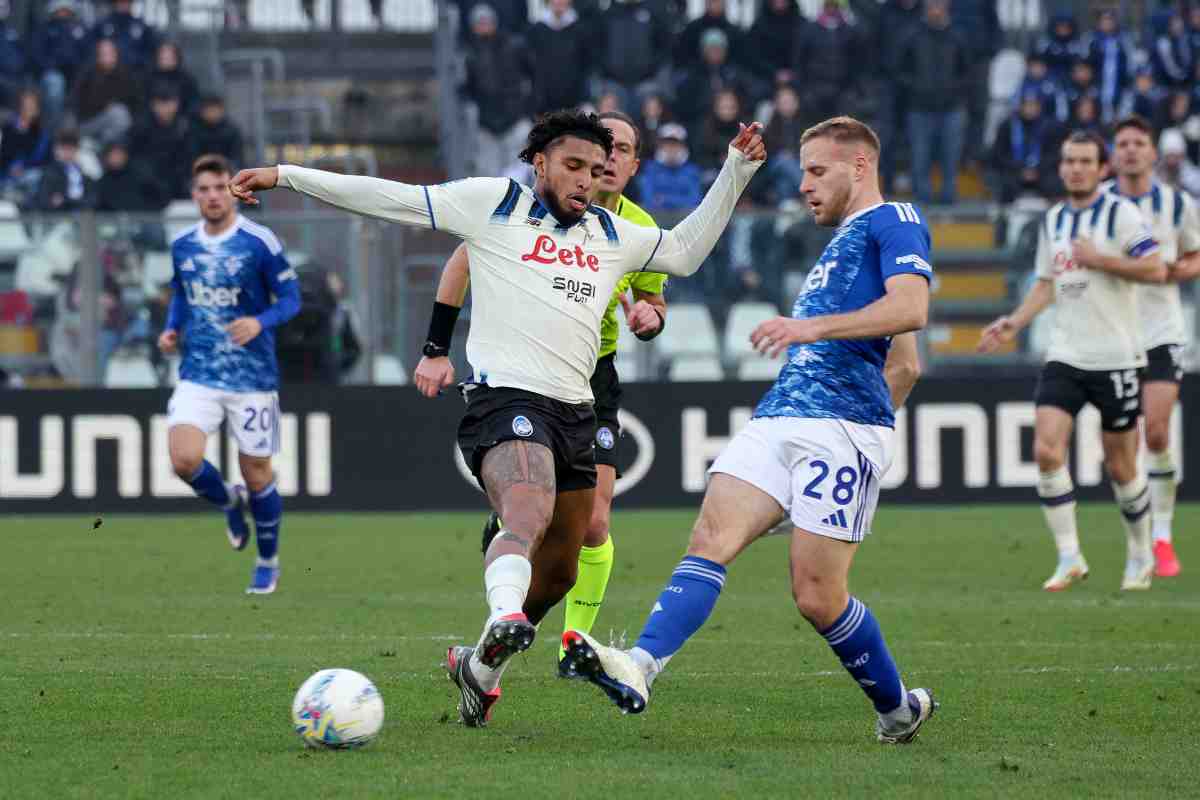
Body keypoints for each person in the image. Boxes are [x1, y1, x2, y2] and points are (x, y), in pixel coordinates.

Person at [228, 109, 765, 727]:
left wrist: (737, 168)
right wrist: (284, 175)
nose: (585, 181)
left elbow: (686, 253)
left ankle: (480, 667)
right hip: (504, 399)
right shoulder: (493, 204)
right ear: (539, 163)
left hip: (577, 411)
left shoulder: (613, 235)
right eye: (572, 166)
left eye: (594, 171)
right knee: (528, 508)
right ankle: (504, 615)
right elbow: (389, 198)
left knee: (563, 567)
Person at [558, 116, 937, 745]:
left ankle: (898, 709)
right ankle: (642, 665)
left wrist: (853, 409)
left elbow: (912, 309)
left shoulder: (895, 218)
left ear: (860, 167)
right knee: (709, 536)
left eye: (818, 171)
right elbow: (907, 363)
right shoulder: (842, 241)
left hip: (840, 430)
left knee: (817, 596)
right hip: (779, 418)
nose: (806, 185)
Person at [415, 111, 669, 670]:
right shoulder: (530, 212)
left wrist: (651, 316)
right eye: (601, 150)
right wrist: (436, 349)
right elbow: (461, 262)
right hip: (522, 379)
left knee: (593, 526)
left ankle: (571, 644)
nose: (610, 161)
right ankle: (507, 612)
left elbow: (655, 302)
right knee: (537, 514)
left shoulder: (638, 229)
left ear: (630, 165)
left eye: (623, 151)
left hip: (591, 378)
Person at [978, 130, 1165, 592]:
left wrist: (1101, 260)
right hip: (1066, 353)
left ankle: (1140, 554)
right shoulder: (1055, 219)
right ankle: (1069, 556)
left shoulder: (1122, 214)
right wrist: (1014, 323)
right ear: (1060, 168)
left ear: (1102, 170)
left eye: (1085, 161)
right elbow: (1047, 283)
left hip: (1116, 356)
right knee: (1045, 450)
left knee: (1121, 466)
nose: (1076, 168)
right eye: (1069, 160)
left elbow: (1156, 267)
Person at [158, 154, 301, 595]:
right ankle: (227, 501)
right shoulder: (183, 244)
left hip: (253, 377)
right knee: (183, 459)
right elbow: (182, 294)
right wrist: (171, 327)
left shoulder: (259, 241)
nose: (213, 196)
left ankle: (267, 560)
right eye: (204, 189)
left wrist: (260, 322)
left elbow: (292, 299)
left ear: (234, 191)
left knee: (257, 472)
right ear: (194, 194)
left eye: (220, 187)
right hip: (198, 371)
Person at [1103, 116, 1200, 578]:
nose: (1130, 151)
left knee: (1157, 433)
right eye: (1122, 144)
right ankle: (1137, 539)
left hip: (1161, 330)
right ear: (1113, 154)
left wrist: (1174, 270)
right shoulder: (1099, 205)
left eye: (1139, 143)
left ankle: (1162, 536)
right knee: (1122, 448)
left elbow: (1195, 254)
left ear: (1153, 153)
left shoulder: (1178, 204)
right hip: (1113, 333)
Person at [636, 122, 702, 210]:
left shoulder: (692, 171)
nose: (671, 148)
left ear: (682, 146)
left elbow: (695, 201)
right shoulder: (650, 169)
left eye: (675, 144)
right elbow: (648, 200)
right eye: (667, 144)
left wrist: (664, 200)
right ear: (660, 146)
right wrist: (680, 201)